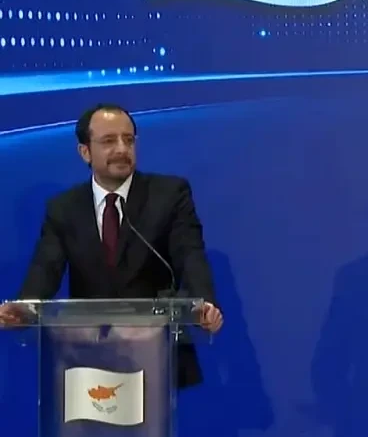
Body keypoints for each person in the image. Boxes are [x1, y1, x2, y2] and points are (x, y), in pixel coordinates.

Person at [0, 103, 223, 388]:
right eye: (108, 141)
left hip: (157, 354)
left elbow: (189, 254)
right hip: (87, 357)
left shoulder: (169, 195)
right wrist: (23, 309)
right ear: (85, 151)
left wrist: (203, 304)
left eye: (128, 140)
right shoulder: (64, 208)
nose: (121, 149)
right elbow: (46, 268)